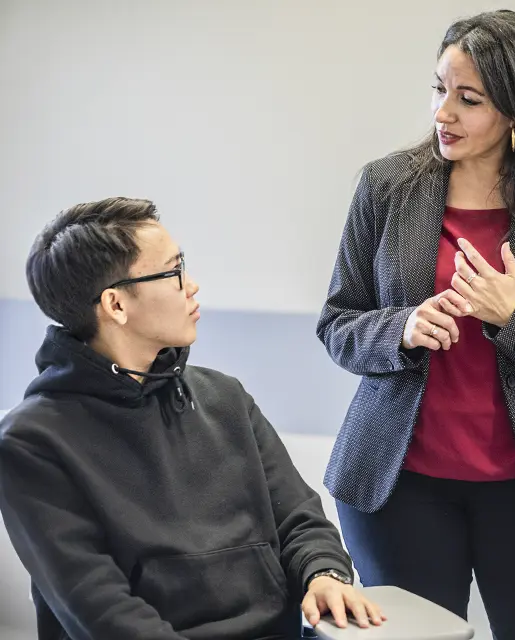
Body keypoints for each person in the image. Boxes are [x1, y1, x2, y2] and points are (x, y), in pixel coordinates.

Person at [316, 9, 515, 639]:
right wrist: (399, 329)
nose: (442, 113)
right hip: (399, 488)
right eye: (439, 89)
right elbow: (337, 323)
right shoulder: (386, 187)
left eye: (468, 99)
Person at [0, 198, 383, 639]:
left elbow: (299, 517)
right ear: (115, 305)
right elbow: (100, 609)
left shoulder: (224, 397)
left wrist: (323, 575)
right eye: (173, 271)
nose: (192, 285)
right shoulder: (33, 441)